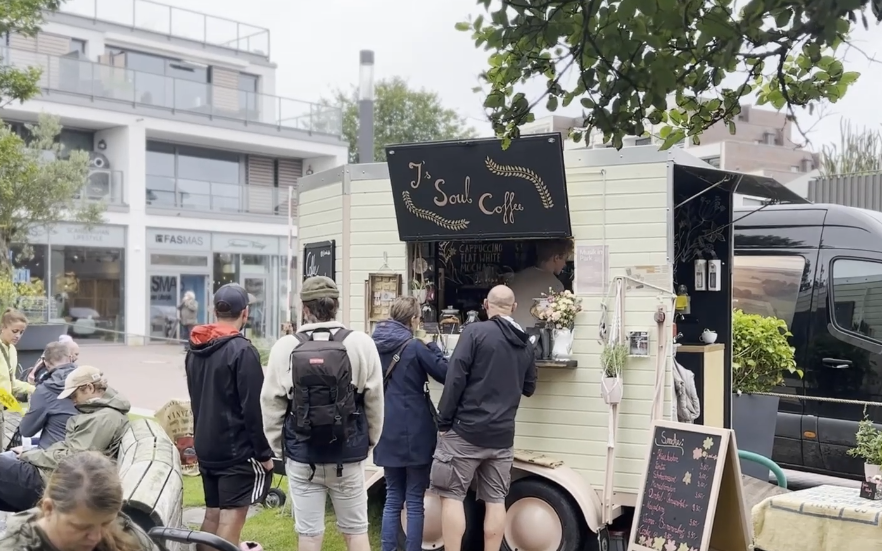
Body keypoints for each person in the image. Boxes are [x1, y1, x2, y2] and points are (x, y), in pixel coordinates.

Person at [261, 276, 384, 551]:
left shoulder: (285, 347)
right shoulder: (361, 343)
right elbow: (375, 400)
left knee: (309, 534)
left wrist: (281, 448)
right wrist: (369, 441)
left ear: (305, 308)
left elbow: (271, 403)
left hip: (302, 454)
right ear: (336, 305)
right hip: (348, 452)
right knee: (356, 532)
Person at [430, 285, 537, 551]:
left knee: (452, 496)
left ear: (486, 305)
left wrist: (443, 422)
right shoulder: (525, 341)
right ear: (513, 308)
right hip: (502, 437)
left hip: (465, 432)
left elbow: (455, 378)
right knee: (496, 500)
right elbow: (530, 387)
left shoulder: (475, 332)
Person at [186, 283, 274, 551]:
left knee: (212, 513)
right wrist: (264, 454)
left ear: (215, 310)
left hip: (206, 444)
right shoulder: (242, 351)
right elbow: (253, 409)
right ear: (245, 313)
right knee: (232, 518)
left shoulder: (194, 349)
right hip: (236, 450)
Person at [371, 296, 448, 551]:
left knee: (393, 497)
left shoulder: (373, 344)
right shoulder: (415, 346)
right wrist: (433, 345)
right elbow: (446, 373)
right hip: (416, 429)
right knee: (414, 499)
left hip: (385, 426)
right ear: (414, 319)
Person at [0, 365, 131, 512]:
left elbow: (74, 460)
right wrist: (29, 452)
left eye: (73, 395)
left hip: (53, 482)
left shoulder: (103, 418)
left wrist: (29, 454)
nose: (72, 401)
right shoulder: (99, 414)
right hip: (54, 476)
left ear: (88, 388)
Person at [0, 451, 161, 551]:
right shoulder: (17, 546)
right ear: (48, 508)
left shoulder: (124, 532)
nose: (96, 537)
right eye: (81, 527)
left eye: (106, 523)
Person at [18, 342, 79, 450]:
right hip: (87, 454)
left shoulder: (45, 390)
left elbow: (26, 431)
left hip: (52, 455)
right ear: (70, 358)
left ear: (45, 363)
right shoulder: (89, 383)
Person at [506, 238, 574, 329]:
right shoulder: (556, 285)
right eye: (565, 259)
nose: (565, 264)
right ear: (556, 258)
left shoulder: (516, 278)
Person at [0, 308, 36, 450]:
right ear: (3, 327)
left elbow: (11, 381)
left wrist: (34, 389)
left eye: (21, 332)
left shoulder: (12, 350)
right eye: (15, 331)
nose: (18, 336)